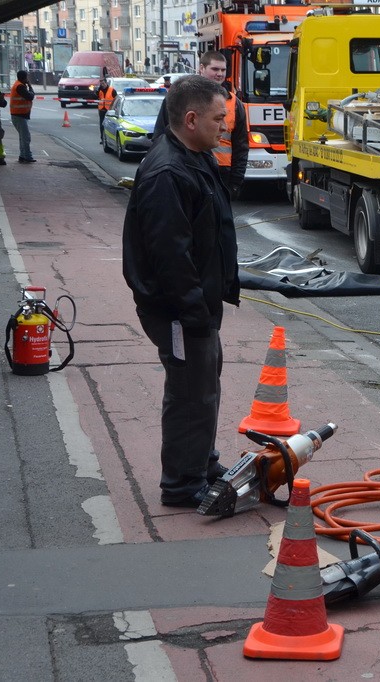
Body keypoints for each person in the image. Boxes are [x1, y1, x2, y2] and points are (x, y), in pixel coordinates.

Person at [122, 75, 240, 508]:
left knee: (204, 383)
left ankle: (200, 463)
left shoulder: (194, 156)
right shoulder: (168, 171)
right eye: (218, 118)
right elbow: (170, 256)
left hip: (196, 304)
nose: (225, 126)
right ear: (191, 119)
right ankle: (181, 483)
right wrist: (194, 313)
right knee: (191, 390)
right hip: (180, 308)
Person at [154, 51, 247, 197]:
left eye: (223, 70)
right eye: (215, 69)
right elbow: (160, 135)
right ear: (201, 68)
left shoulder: (235, 103)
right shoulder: (181, 96)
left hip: (221, 172)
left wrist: (235, 183)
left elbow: (241, 146)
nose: (220, 74)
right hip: (187, 167)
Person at [10, 70, 35, 163]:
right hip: (19, 115)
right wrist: (30, 86)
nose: (27, 79)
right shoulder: (20, 86)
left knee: (22, 136)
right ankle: (27, 156)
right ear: (24, 78)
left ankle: (22, 156)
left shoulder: (19, 85)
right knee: (26, 137)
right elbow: (30, 96)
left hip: (19, 115)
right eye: (27, 77)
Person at [96, 73, 115, 144]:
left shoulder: (112, 90)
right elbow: (96, 97)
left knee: (109, 126)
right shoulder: (100, 90)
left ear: (106, 82)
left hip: (109, 111)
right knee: (102, 125)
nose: (102, 85)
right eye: (101, 84)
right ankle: (102, 139)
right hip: (102, 110)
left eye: (103, 83)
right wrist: (97, 90)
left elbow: (115, 99)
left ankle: (109, 139)